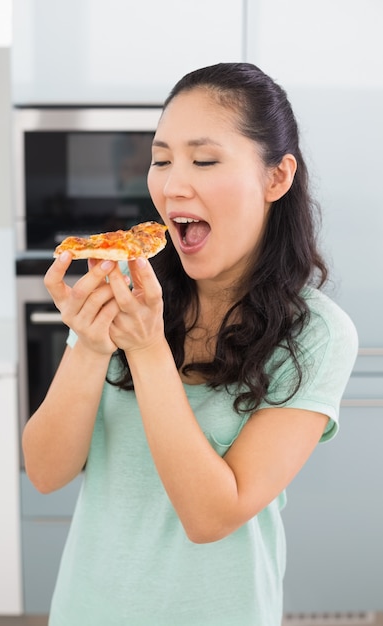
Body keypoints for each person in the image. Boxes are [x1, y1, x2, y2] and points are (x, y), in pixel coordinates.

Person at [22, 62, 358, 626]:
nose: (173, 183)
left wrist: (149, 352)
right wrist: (90, 344)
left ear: (276, 178)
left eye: (204, 160)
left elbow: (210, 517)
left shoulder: (316, 334)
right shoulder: (130, 289)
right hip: (87, 609)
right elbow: (46, 472)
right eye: (160, 160)